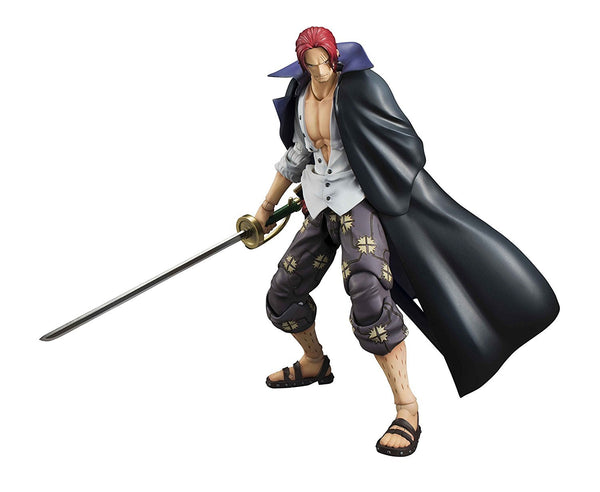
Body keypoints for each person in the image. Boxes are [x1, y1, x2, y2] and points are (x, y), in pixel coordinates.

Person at [254, 27, 559, 457]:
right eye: (310, 62)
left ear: (334, 57)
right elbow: (299, 153)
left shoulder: (362, 88)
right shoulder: (301, 94)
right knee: (283, 293)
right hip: (319, 204)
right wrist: (264, 209)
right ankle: (314, 362)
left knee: (368, 298)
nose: (318, 69)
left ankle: (406, 407)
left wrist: (383, 181)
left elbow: (405, 146)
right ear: (302, 62)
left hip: (359, 202)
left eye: (324, 60)